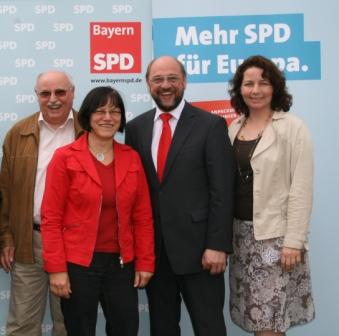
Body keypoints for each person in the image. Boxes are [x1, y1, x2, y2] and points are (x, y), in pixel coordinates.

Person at [125, 55, 235, 336]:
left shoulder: (210, 125)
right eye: (157, 79)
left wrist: (217, 245)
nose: (165, 85)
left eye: (172, 78)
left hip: (201, 252)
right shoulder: (136, 128)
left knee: (209, 327)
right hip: (156, 255)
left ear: (184, 82)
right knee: (162, 328)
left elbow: (222, 189)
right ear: (148, 84)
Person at [40, 86, 155, 336]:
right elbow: (51, 219)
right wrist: (57, 269)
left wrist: (145, 261)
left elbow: (143, 217)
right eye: (100, 111)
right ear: (88, 117)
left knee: (126, 329)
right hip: (79, 264)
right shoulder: (64, 158)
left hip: (121, 264)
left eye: (114, 111)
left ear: (121, 119)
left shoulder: (131, 157)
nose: (107, 117)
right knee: (80, 330)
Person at [228, 55, 315, 335]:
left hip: (276, 242)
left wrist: (294, 241)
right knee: (255, 319)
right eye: (249, 83)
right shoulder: (233, 128)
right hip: (240, 237)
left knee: (270, 322)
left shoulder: (293, 127)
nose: (256, 90)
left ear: (275, 87)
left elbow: (301, 189)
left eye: (263, 83)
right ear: (239, 89)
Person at [0, 70, 81, 335]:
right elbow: (5, 192)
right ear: (37, 96)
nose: (53, 99)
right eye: (45, 93)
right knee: (22, 325)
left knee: (69, 324)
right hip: (28, 242)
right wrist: (6, 237)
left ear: (72, 93)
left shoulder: (88, 131)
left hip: (74, 242)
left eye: (60, 92)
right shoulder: (18, 133)